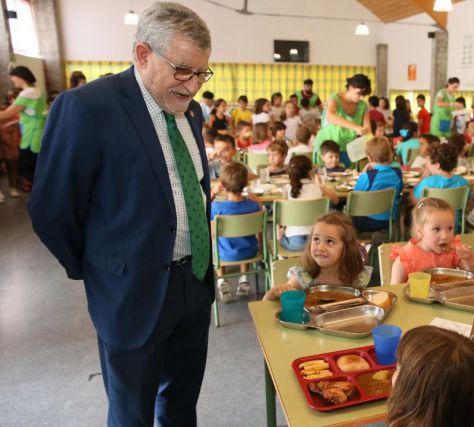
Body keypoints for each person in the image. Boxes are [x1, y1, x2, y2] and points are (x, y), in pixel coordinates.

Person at [28, 3, 214, 424]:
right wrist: (100, 269)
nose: (194, 86)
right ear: (143, 54)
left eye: (202, 73)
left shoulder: (193, 112)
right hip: (130, 293)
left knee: (181, 406)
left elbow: (193, 190)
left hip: (194, 283)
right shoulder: (88, 107)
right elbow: (51, 209)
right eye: (183, 70)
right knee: (132, 413)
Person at [387, 325, 474, 427]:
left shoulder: (401, 422)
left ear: (420, 391)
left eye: (399, 367)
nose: (395, 371)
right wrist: (468, 366)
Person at [264, 212, 371, 300]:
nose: (320, 248)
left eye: (330, 241)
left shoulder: (355, 277)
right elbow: (267, 302)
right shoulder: (304, 276)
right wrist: (275, 291)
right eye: (316, 240)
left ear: (346, 248)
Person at [390, 197, 474, 284]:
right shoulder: (406, 258)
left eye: (450, 228)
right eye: (437, 229)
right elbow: (396, 291)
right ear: (421, 231)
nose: (445, 236)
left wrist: (470, 259)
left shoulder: (453, 251)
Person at [211, 162, 262, 302]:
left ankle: (222, 280)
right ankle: (244, 277)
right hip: (250, 252)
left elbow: (212, 234)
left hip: (223, 255)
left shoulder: (216, 208)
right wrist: (260, 204)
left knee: (217, 242)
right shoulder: (254, 206)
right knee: (245, 238)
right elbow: (260, 228)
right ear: (246, 183)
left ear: (222, 184)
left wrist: (213, 193)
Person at [0, 66, 46, 192]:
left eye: (13, 77)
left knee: (25, 168)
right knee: (37, 168)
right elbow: (32, 113)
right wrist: (16, 122)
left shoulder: (27, 93)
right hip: (38, 133)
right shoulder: (37, 90)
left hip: (31, 137)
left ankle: (47, 191)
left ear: (21, 77)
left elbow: (6, 114)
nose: (12, 80)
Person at [279, 156, 339, 251]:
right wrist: (321, 185)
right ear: (310, 172)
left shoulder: (287, 189)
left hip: (295, 242)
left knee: (280, 238)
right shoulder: (317, 188)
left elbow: (282, 217)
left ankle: (288, 260)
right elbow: (336, 199)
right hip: (317, 241)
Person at [313, 74, 372, 167]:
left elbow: (368, 131)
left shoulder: (363, 106)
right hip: (328, 148)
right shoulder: (335, 98)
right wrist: (356, 127)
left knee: (348, 178)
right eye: (359, 93)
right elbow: (330, 116)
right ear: (351, 87)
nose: (361, 97)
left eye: (363, 95)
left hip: (349, 149)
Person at [410, 143, 469, 228]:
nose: (426, 165)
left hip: (429, 227)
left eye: (428, 163)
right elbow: (466, 204)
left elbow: (414, 201)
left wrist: (421, 178)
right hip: (452, 226)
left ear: (437, 165)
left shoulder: (427, 182)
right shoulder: (463, 182)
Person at [353, 136, 403, 233]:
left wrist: (363, 174)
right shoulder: (397, 173)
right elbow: (400, 190)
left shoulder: (367, 176)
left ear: (369, 158)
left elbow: (356, 198)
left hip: (367, 221)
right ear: (390, 154)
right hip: (389, 220)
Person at [0, 95, 20, 202]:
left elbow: (18, 119)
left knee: (12, 165)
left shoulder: (9, 110)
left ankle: (13, 188)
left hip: (10, 141)